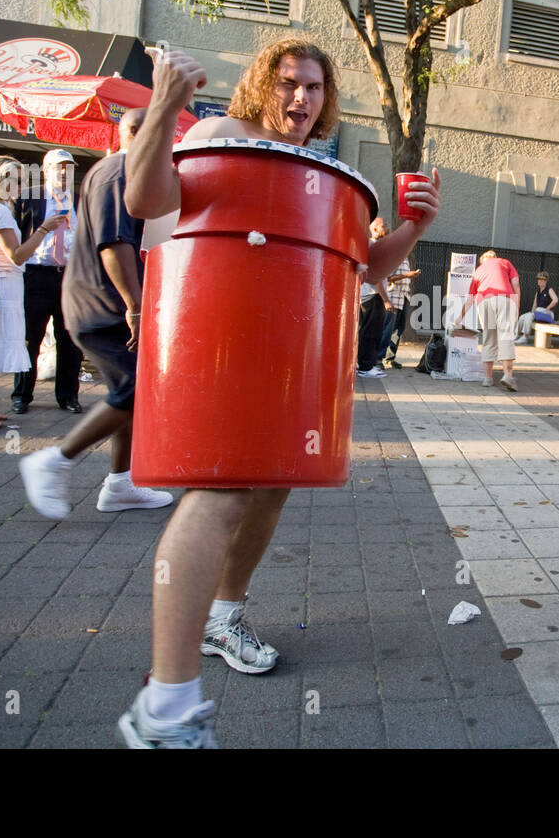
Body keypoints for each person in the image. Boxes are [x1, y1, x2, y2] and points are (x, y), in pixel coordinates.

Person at [118, 38, 441, 747]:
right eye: (289, 82)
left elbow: (362, 267)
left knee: (271, 488)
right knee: (219, 491)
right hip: (219, 338)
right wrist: (168, 104)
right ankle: (165, 707)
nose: (301, 98)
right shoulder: (217, 136)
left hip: (291, 351)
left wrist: (417, 224)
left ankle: (221, 617)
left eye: (315, 88)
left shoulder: (326, 167)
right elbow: (148, 205)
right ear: (261, 83)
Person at [18, 109, 174, 519]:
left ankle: (121, 484)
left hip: (108, 303)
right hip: (103, 304)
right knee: (139, 389)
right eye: (166, 134)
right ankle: (55, 460)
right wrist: (136, 307)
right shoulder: (118, 171)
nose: (171, 144)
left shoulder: (128, 173)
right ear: (141, 133)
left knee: (129, 393)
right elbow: (113, 244)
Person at [0, 157, 67, 434]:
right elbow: (17, 256)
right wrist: (44, 229)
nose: (20, 186)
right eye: (15, 180)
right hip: (0, 285)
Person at [11, 148, 84, 414]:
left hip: (69, 276)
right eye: (59, 168)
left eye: (69, 168)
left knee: (70, 339)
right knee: (30, 338)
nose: (64, 173)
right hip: (36, 275)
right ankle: (21, 395)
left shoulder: (80, 200)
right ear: (46, 170)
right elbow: (15, 238)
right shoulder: (28, 198)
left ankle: (68, 396)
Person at [461, 250, 520, 390]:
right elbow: (516, 283)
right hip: (505, 298)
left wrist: (459, 318)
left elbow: (470, 299)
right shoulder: (505, 262)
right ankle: (508, 376)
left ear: (483, 261)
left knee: (489, 338)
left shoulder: (478, 270)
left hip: (483, 301)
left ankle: (487, 378)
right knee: (506, 336)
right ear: (494, 257)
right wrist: (517, 305)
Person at [357, 217, 393, 379]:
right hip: (372, 295)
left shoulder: (369, 246)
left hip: (368, 294)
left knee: (366, 330)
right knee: (371, 331)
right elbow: (375, 277)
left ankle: (363, 364)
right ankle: (366, 366)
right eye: (384, 226)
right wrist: (385, 299)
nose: (388, 228)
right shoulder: (372, 247)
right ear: (375, 229)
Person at [380, 256, 419, 368]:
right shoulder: (393, 256)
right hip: (393, 297)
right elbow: (387, 278)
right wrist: (407, 275)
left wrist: (409, 288)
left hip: (404, 297)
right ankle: (378, 359)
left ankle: (389, 358)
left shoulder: (405, 258)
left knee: (398, 330)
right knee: (387, 329)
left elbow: (405, 279)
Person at [515, 270, 558, 344]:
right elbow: (534, 304)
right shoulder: (538, 291)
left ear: (546, 281)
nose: (541, 281)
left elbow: (555, 300)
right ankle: (517, 335)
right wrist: (532, 312)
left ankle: (525, 337)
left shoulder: (549, 289)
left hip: (548, 313)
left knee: (531, 314)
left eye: (543, 280)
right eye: (539, 279)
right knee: (523, 317)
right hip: (538, 312)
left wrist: (547, 308)